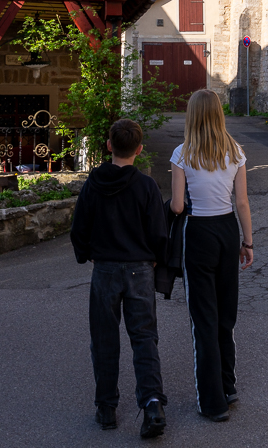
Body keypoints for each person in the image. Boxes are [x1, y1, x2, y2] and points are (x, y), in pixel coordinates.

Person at [70, 118, 169, 439]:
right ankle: (152, 404)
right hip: (140, 269)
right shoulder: (146, 186)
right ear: (139, 150)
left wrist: (87, 254)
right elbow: (159, 231)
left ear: (109, 145)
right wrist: (155, 257)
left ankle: (106, 407)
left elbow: (79, 228)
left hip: (106, 270)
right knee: (144, 338)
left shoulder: (93, 185)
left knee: (104, 339)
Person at [170, 89, 253, 423]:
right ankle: (228, 386)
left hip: (198, 233)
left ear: (192, 115)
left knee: (203, 318)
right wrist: (248, 243)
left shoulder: (182, 154)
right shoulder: (235, 152)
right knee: (225, 314)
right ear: (219, 114)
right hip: (227, 230)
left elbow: (178, 206)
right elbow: (242, 202)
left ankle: (212, 402)